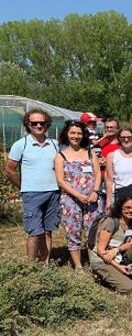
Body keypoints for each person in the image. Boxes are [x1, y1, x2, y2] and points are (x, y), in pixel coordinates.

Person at [5, 109, 60, 263]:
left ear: (47, 124)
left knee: (47, 232)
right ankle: (30, 267)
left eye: (41, 123)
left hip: (53, 192)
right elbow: (9, 170)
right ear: (28, 124)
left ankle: (45, 263)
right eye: (34, 123)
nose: (38, 125)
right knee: (34, 232)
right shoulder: (21, 144)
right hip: (32, 194)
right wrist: (23, 186)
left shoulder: (54, 144)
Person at [55, 120, 104, 271]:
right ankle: (78, 266)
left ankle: (94, 264)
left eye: (79, 133)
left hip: (92, 200)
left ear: (83, 135)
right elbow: (60, 181)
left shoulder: (90, 153)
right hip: (70, 201)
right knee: (73, 231)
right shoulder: (61, 156)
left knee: (93, 232)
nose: (76, 136)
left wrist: (95, 192)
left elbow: (97, 175)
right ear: (66, 135)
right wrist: (78, 195)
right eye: (73, 133)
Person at [90, 196, 132, 294]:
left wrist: (116, 250)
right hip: (101, 259)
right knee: (128, 288)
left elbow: (130, 243)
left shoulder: (131, 222)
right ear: (121, 208)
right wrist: (119, 268)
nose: (131, 210)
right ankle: (100, 275)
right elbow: (100, 250)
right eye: (127, 207)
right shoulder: (111, 222)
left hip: (118, 256)